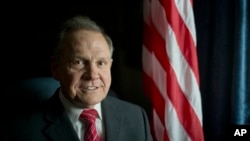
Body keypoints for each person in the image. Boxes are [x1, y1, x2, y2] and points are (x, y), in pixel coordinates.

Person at [3, 15, 153, 141]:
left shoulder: (136, 117)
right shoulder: (21, 131)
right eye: (79, 62)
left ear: (110, 65)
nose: (93, 74)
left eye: (101, 63)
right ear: (55, 68)